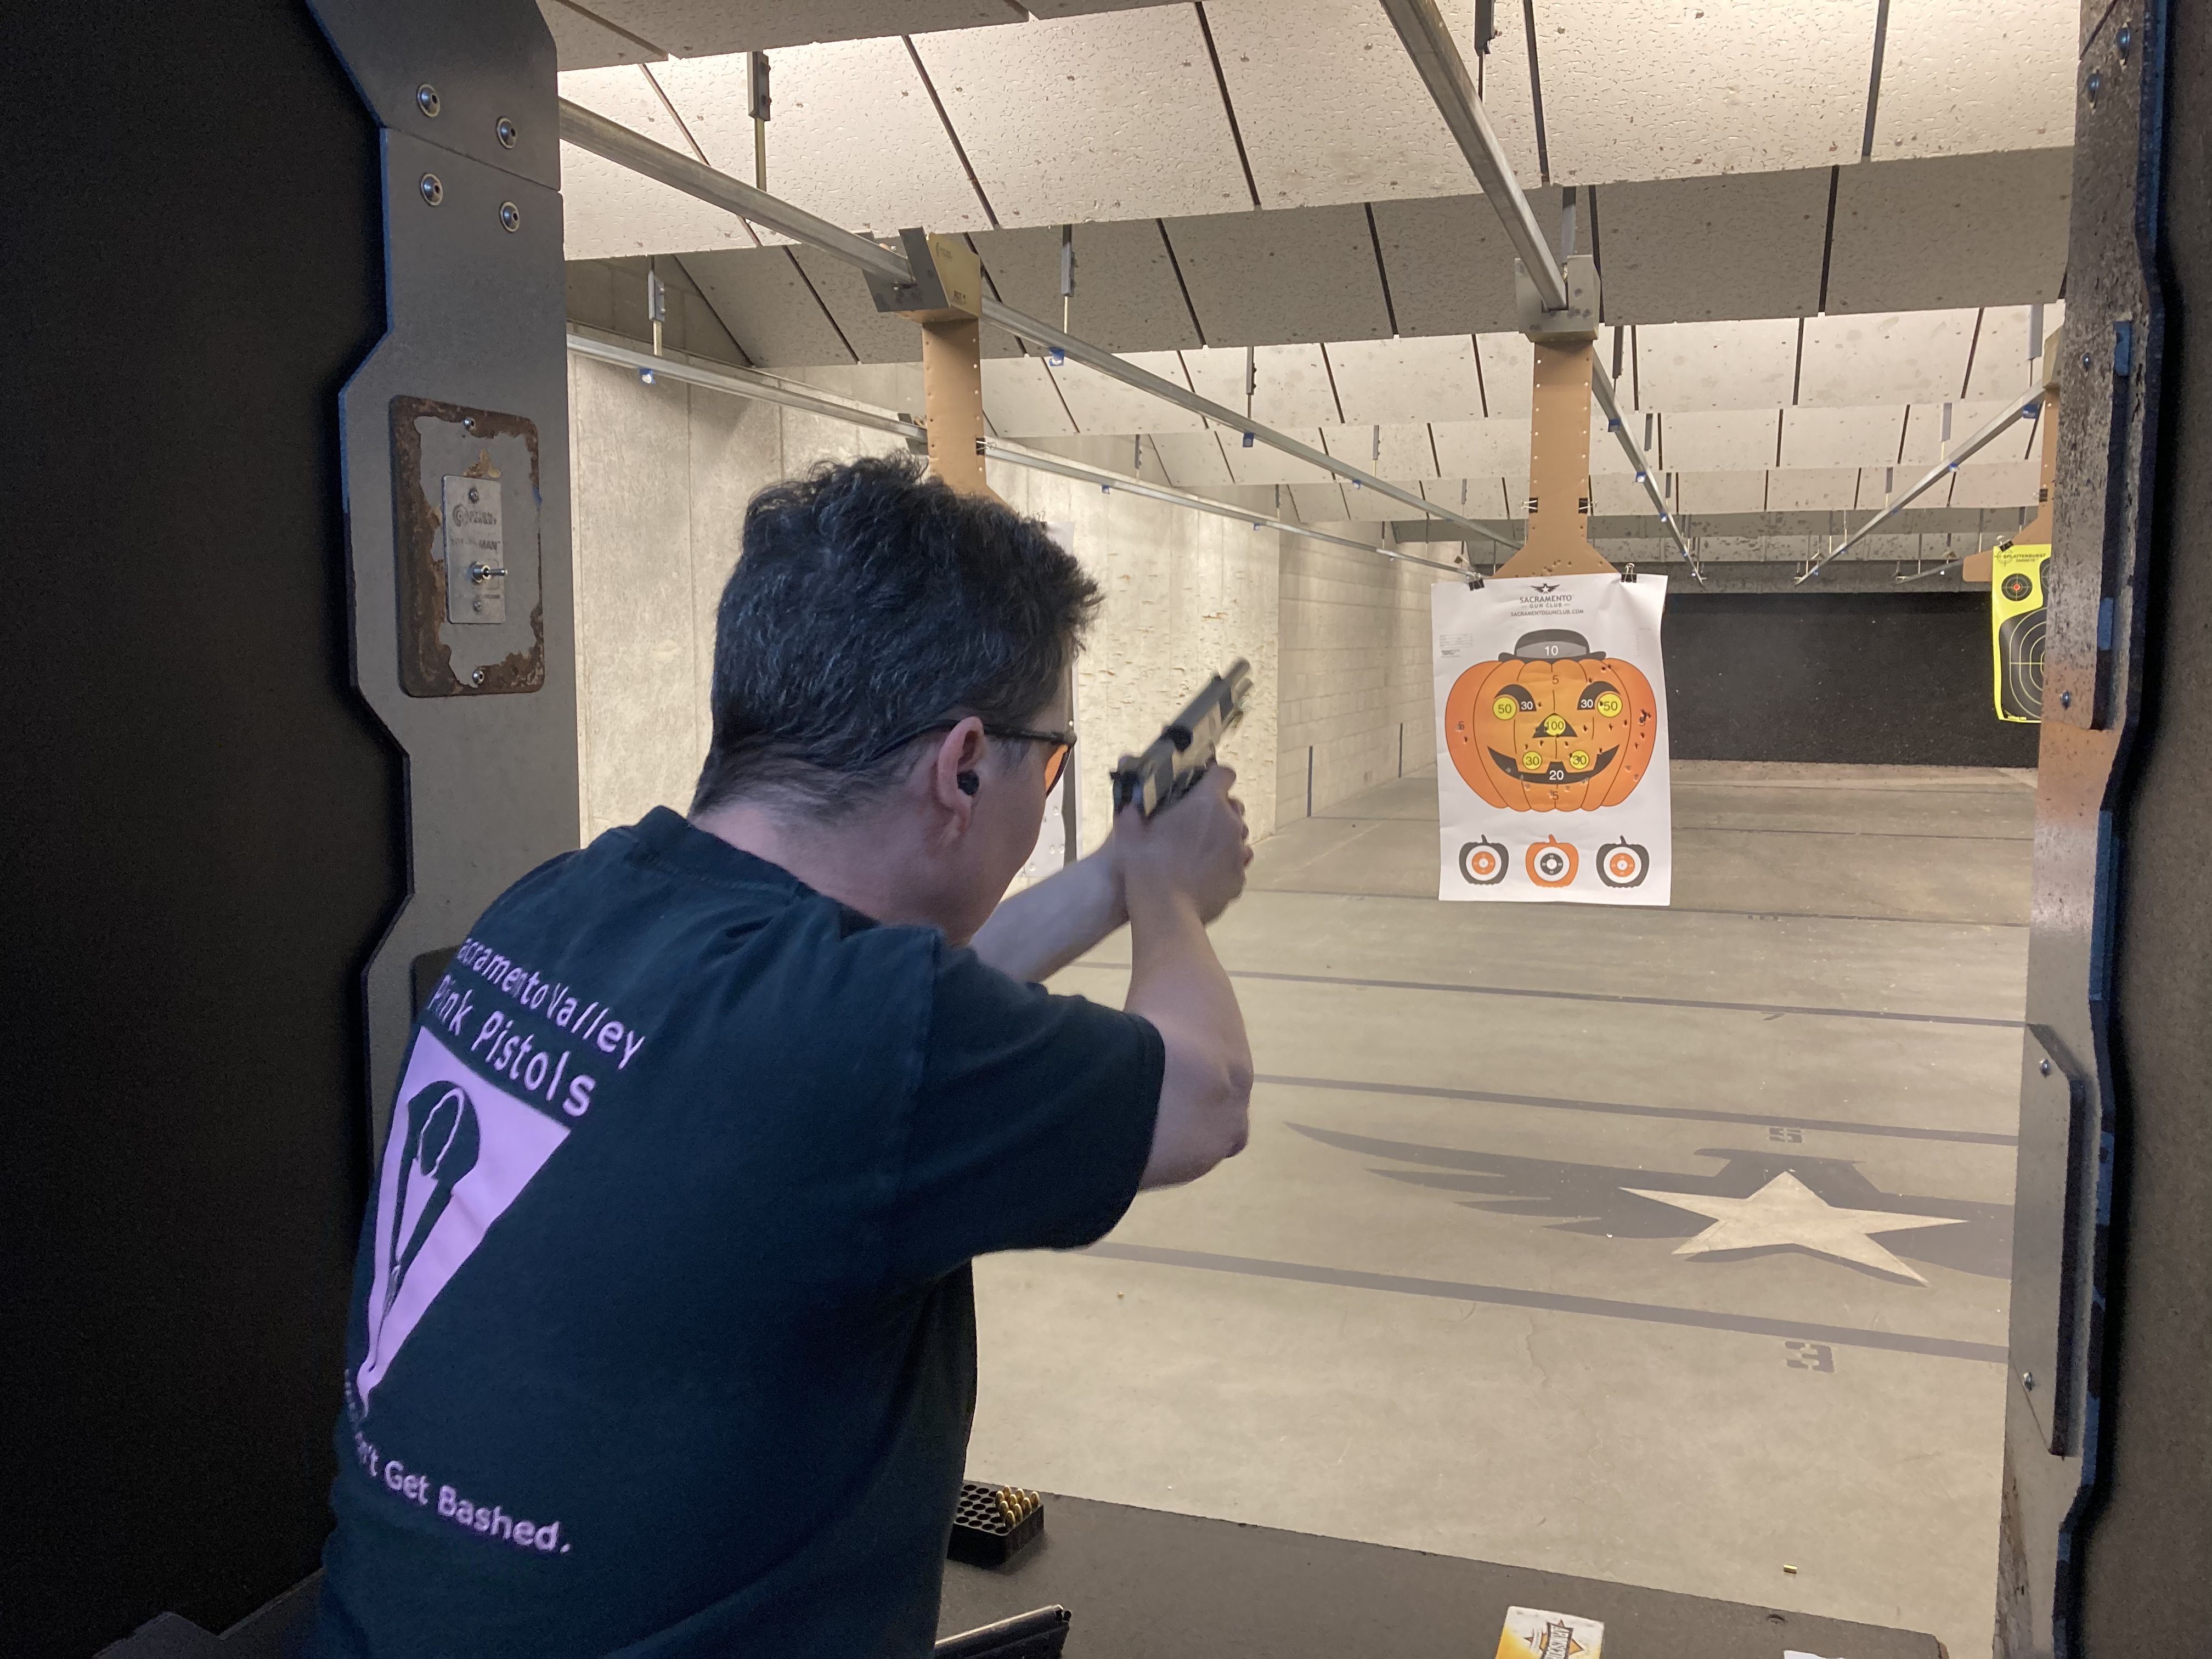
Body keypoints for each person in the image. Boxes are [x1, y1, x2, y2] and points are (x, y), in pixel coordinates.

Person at [308, 455, 1255, 1657]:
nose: (1050, 780)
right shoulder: (859, 1026)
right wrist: (1172, 896)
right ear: (964, 767)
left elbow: (895, 1026)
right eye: (1050, 757)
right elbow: (1204, 1097)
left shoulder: (562, 907)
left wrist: (1119, 874)